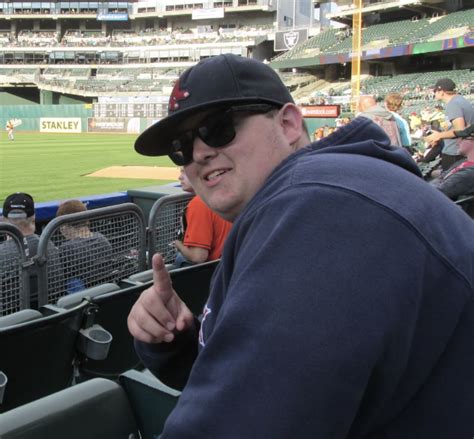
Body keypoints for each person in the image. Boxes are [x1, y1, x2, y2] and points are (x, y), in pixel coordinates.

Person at [127, 54, 474, 438]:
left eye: (218, 128)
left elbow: (245, 424)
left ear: (289, 124)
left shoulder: (319, 207)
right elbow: (280, 388)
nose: (198, 154)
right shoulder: (330, 191)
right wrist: (180, 342)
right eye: (181, 146)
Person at [0, 192, 63, 308]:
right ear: (33, 217)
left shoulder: (2, 252)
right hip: (52, 313)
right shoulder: (48, 244)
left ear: (3, 220)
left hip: (11, 317)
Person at [174, 168, 232, 268]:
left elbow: (198, 257)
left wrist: (177, 244)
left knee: (179, 259)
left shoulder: (199, 203)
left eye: (184, 172)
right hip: (229, 264)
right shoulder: (223, 195)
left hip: (213, 271)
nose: (180, 177)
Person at [56, 199, 113, 293]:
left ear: (64, 226)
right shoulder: (102, 238)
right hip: (107, 293)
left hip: (84, 298)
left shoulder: (67, 248)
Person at [425, 78, 474, 170]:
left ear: (441, 92)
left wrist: (438, 136)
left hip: (454, 152)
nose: (434, 93)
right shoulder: (461, 100)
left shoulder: (453, 104)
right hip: (464, 150)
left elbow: (460, 130)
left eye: (435, 91)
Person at [430, 123, 474, 199]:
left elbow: (434, 194)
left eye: (462, 138)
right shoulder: (464, 162)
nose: (457, 142)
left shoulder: (469, 173)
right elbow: (443, 176)